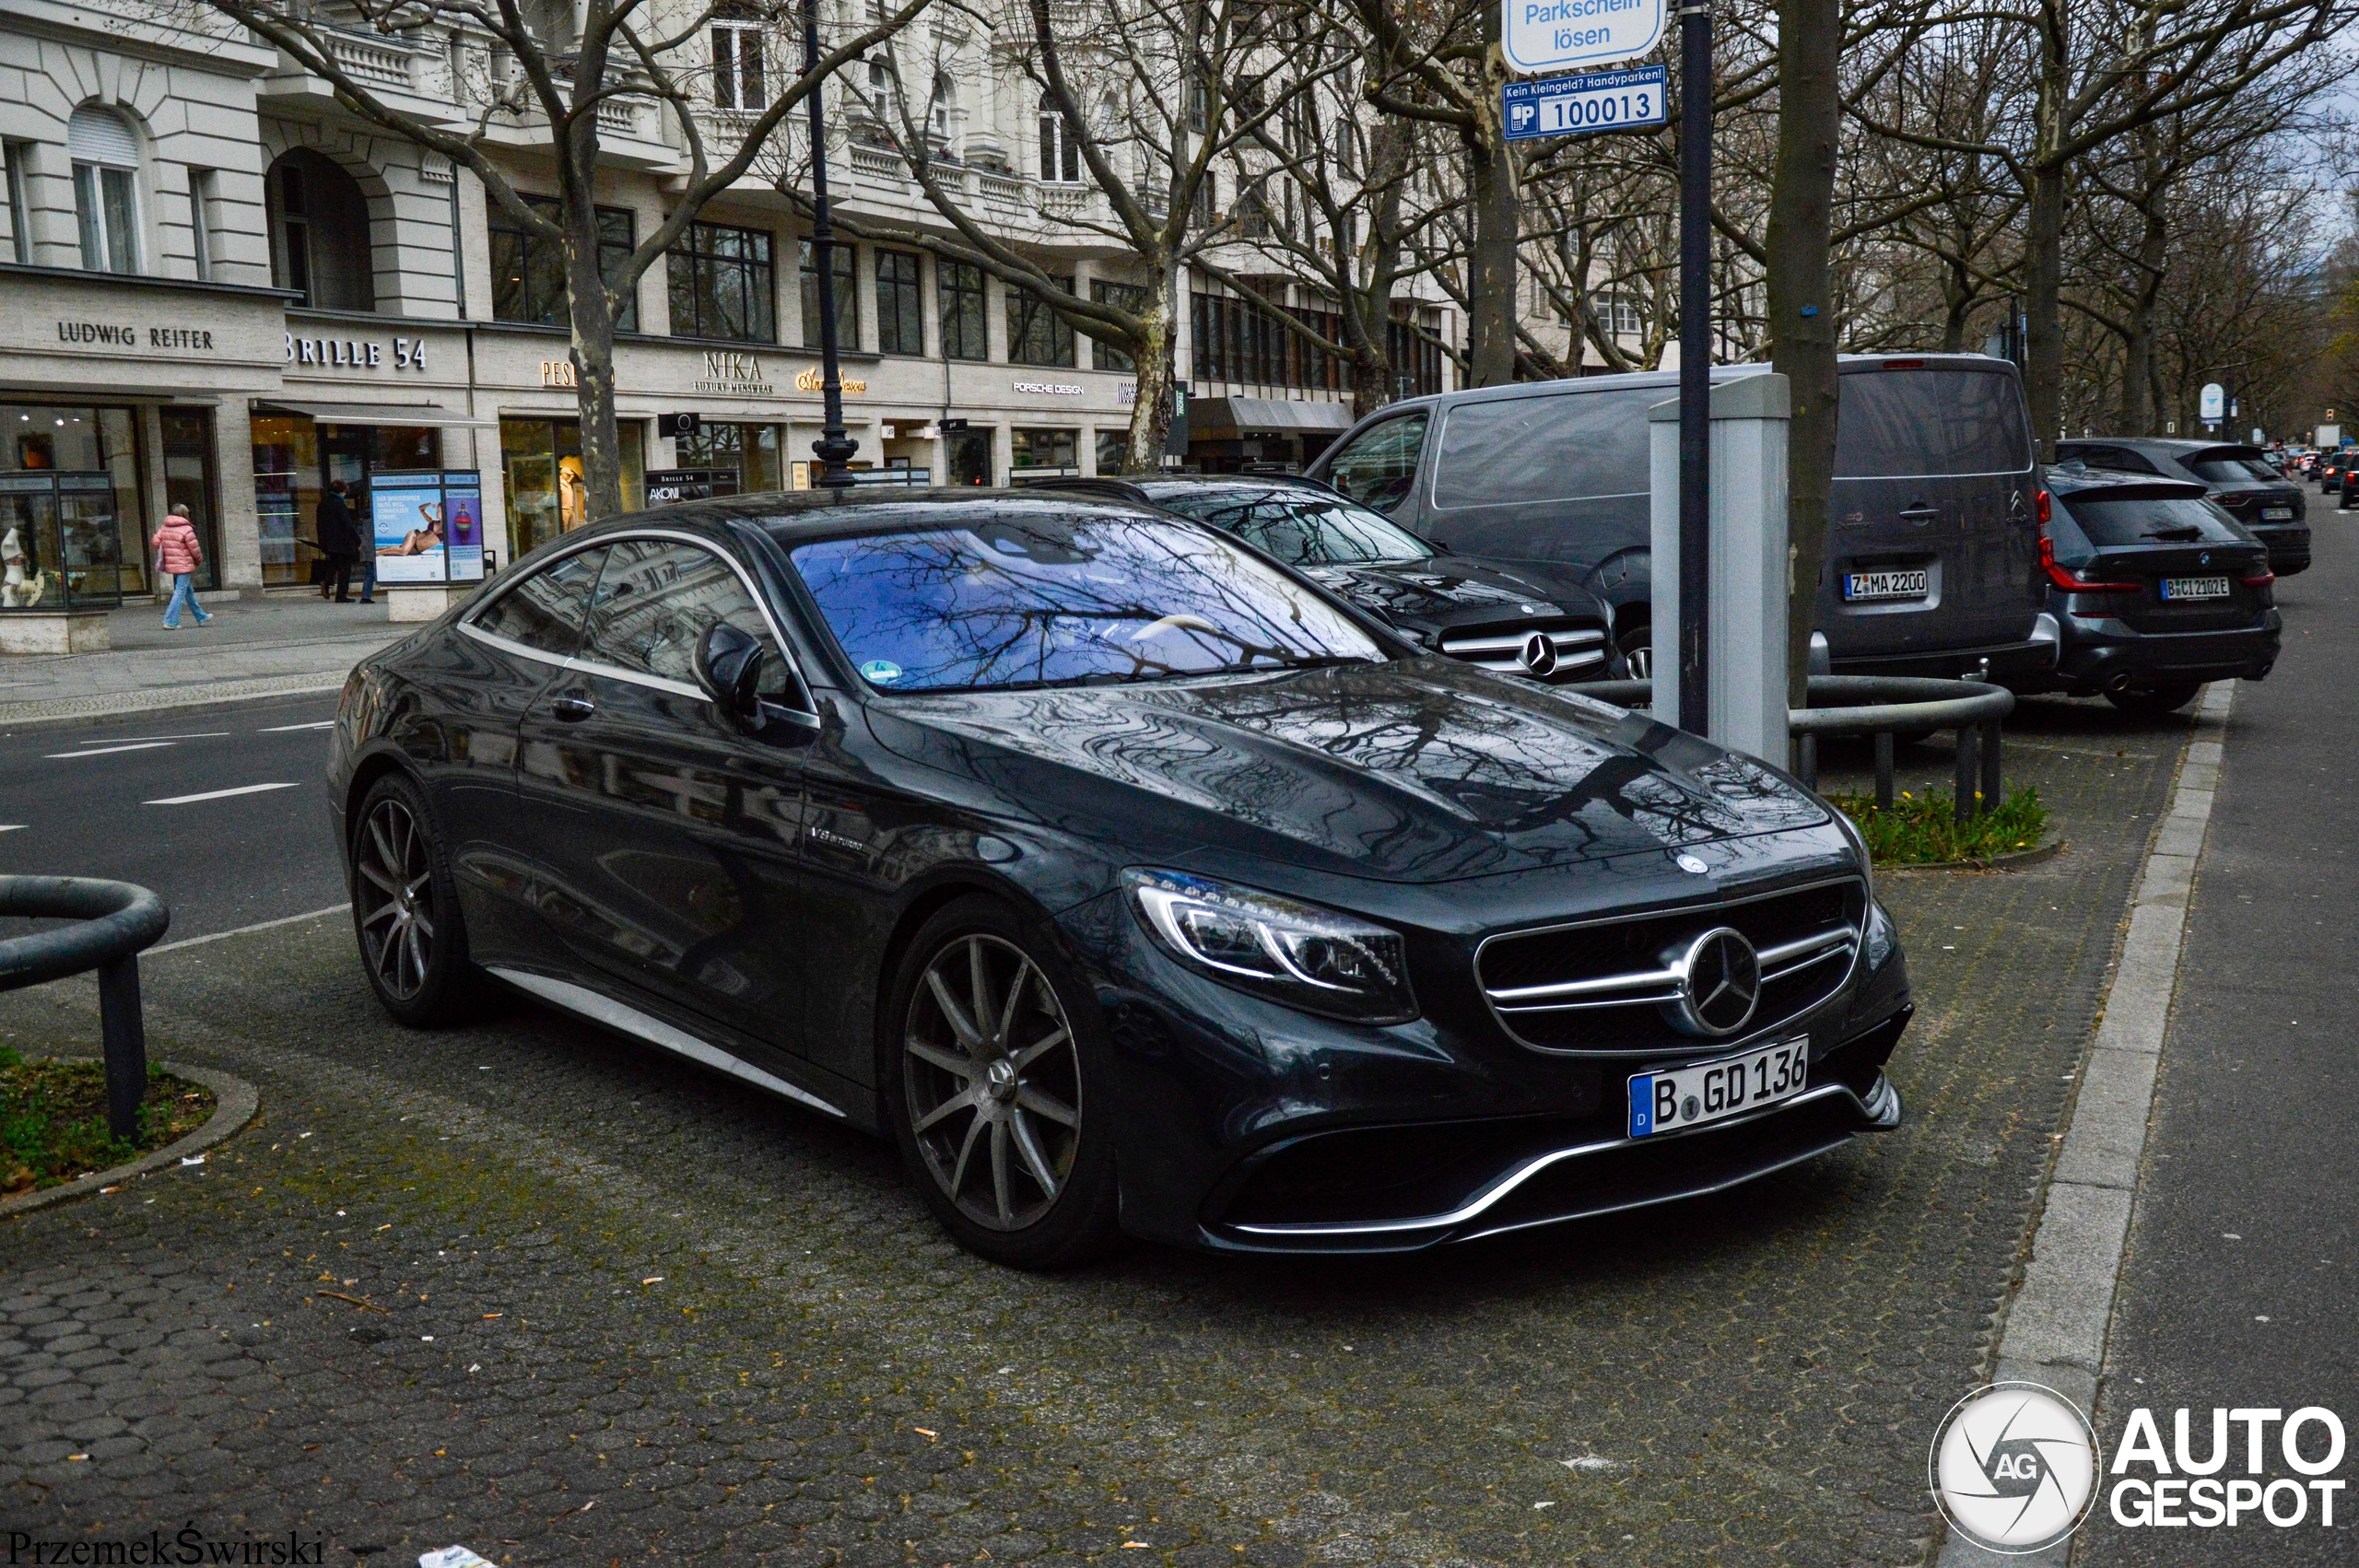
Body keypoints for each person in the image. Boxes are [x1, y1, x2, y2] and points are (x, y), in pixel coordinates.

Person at [153, 504, 211, 629]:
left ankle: (201, 616)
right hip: (184, 564)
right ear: (185, 514)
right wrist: (199, 560)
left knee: (187, 591)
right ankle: (170, 621)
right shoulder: (186, 529)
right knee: (180, 592)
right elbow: (194, 549)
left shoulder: (164, 527)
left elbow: (155, 542)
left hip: (172, 565)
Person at [315, 479, 360, 602]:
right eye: (345, 491)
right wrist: (357, 540)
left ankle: (326, 581)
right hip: (342, 541)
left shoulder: (323, 503)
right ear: (342, 491)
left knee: (336, 564)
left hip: (327, 541)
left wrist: (322, 541)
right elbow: (347, 524)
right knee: (345, 568)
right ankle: (341, 595)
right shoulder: (339, 504)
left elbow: (318, 524)